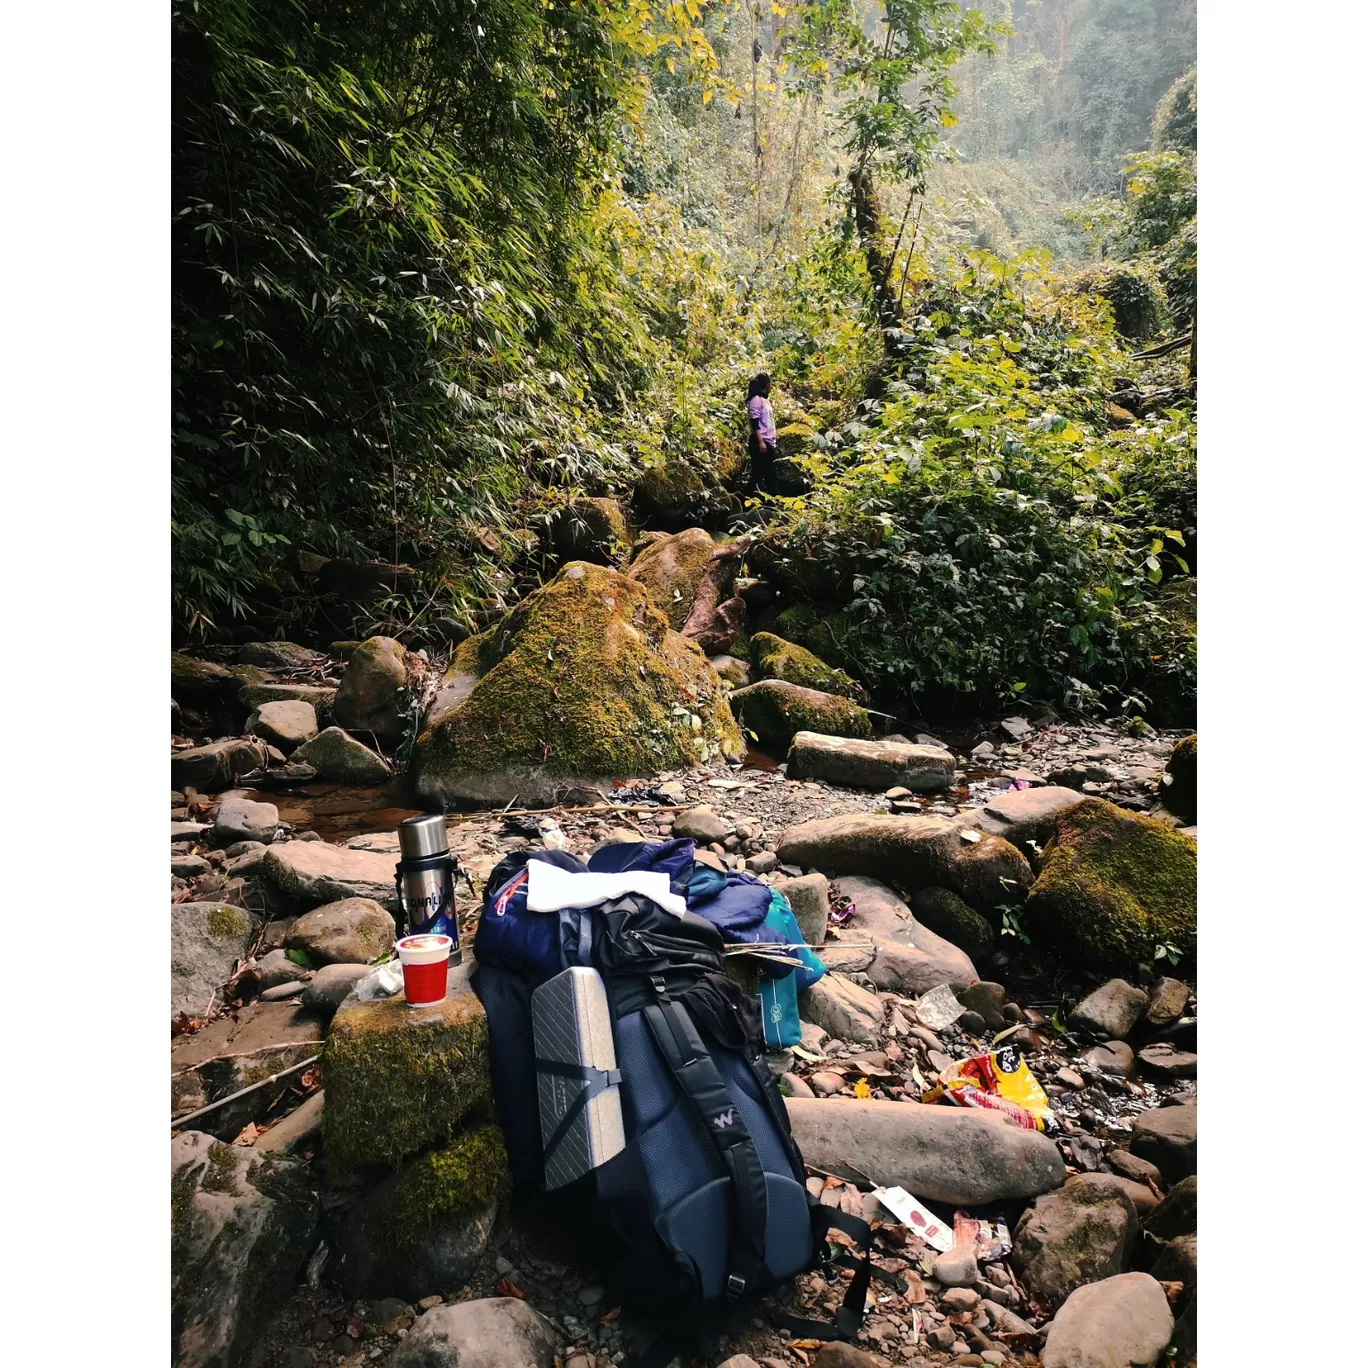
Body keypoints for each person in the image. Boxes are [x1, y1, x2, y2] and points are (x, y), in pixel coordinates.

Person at [745, 373, 779, 495]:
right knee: (759, 474)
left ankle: (770, 502)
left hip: (768, 442)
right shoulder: (756, 400)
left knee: (769, 473)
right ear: (767, 385)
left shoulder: (765, 401)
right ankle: (751, 502)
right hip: (760, 442)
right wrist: (760, 442)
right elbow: (755, 422)